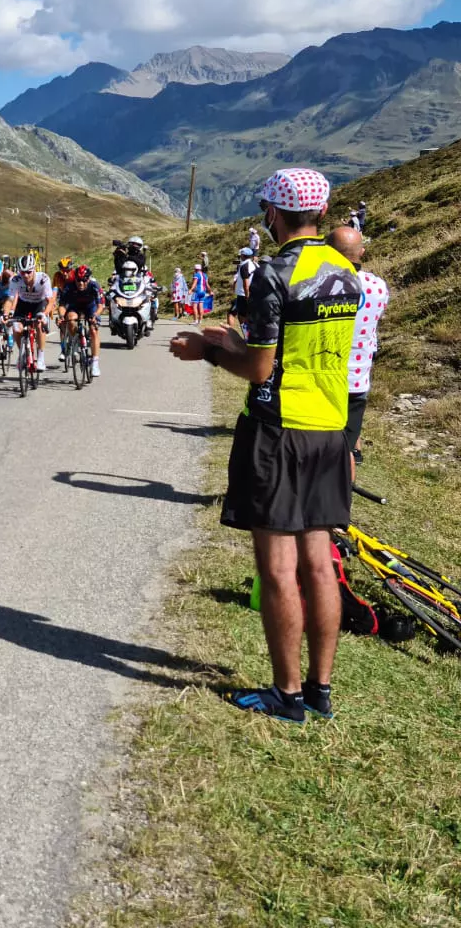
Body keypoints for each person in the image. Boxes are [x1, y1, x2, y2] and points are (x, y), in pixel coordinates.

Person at [171, 168, 360, 722]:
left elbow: (259, 368)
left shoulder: (273, 274)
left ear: (273, 215)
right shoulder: (346, 272)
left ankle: (287, 693)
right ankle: (321, 691)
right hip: (330, 427)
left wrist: (206, 351)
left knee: (277, 568)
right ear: (321, 213)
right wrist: (233, 341)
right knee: (319, 564)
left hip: (278, 431)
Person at [325, 225, 387, 478]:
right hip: (357, 378)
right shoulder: (378, 286)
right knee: (347, 449)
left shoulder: (319, 283)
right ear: (361, 252)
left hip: (323, 376)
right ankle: (340, 505)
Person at [6, 254, 54, 370]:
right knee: (16, 328)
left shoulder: (43, 279)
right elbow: (10, 299)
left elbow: (51, 301)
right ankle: (22, 353)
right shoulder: (15, 280)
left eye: (29, 272)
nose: (26, 275)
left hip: (39, 304)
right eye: (22, 273)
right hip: (23, 304)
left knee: (39, 324)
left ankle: (41, 358)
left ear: (34, 270)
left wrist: (44, 314)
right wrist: (6, 314)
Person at [58, 263, 103, 378]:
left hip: (90, 307)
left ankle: (95, 362)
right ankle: (76, 342)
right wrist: (61, 316)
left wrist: (95, 316)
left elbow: (101, 305)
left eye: (84, 280)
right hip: (75, 307)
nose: (81, 283)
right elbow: (62, 305)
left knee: (93, 330)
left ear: (88, 279)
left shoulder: (94, 286)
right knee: (70, 319)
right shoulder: (69, 286)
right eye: (78, 280)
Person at [229, 246, 259, 329]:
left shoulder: (244, 266)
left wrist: (247, 296)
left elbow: (246, 283)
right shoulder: (255, 264)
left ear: (243, 256)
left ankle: (246, 337)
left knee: (242, 317)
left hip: (244, 295)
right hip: (254, 293)